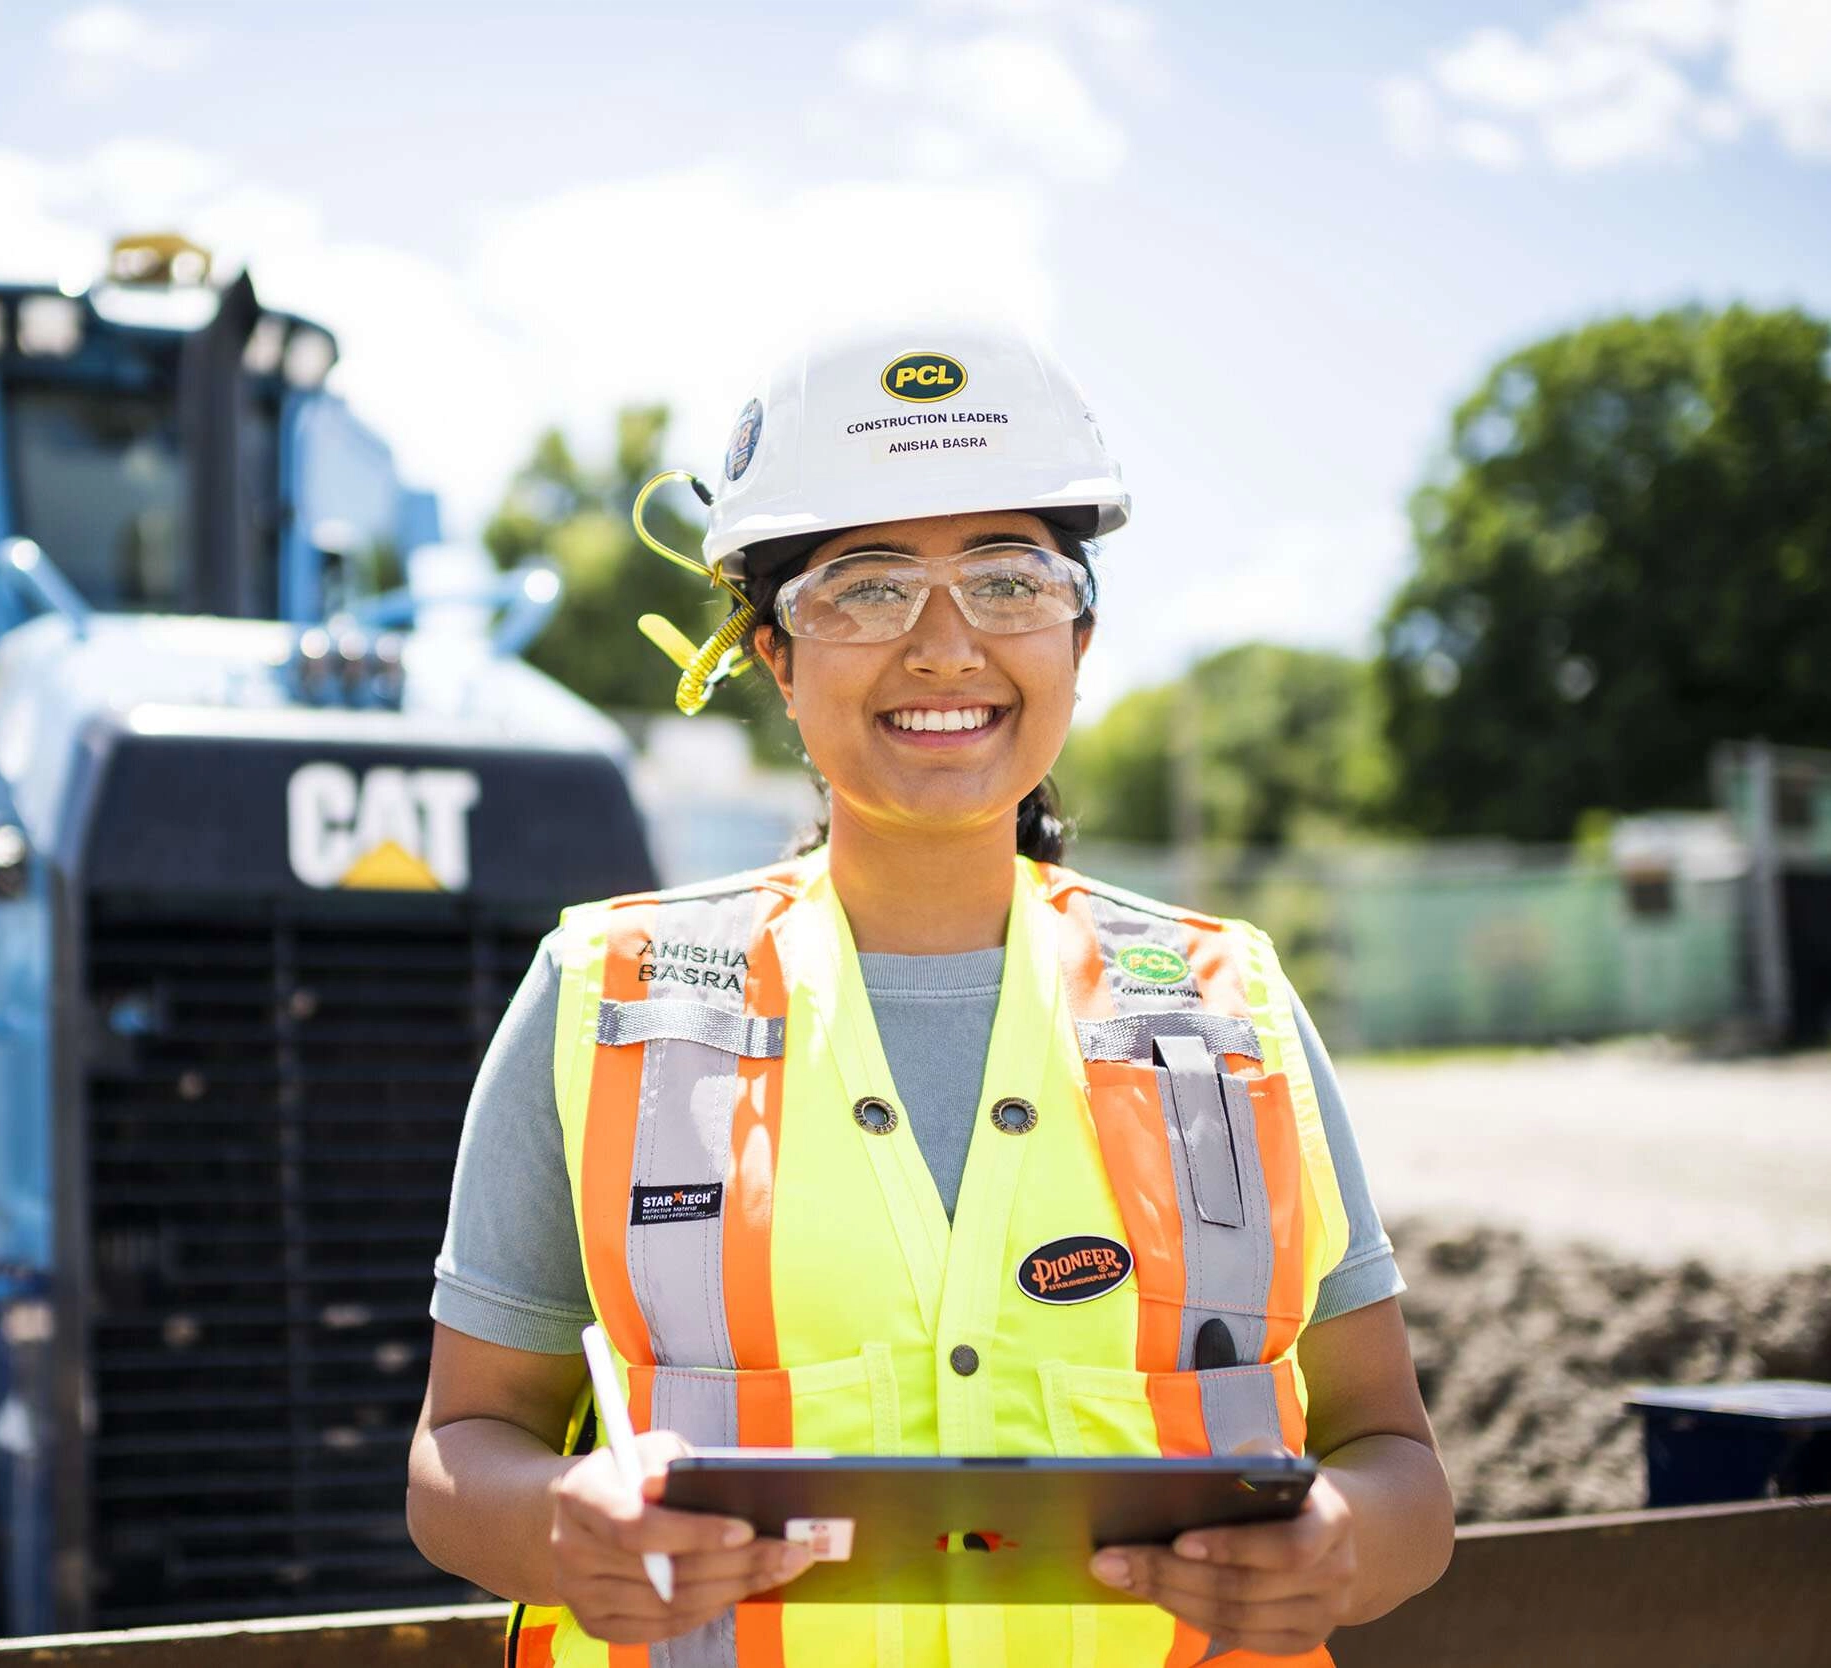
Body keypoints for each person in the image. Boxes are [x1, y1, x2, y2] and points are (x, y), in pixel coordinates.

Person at [406, 322, 1454, 1667]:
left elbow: (1396, 1466)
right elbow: (457, 1452)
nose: (947, 647)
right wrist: (564, 1525)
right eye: (865, 589)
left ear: (1080, 635)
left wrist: (1344, 1544)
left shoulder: (1230, 1008)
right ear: (773, 657)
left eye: (1011, 582)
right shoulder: (604, 998)